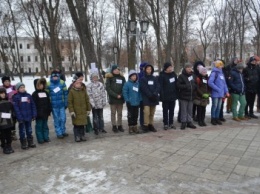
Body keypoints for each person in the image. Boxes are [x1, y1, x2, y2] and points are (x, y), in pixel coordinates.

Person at [12, 82, 37, 149]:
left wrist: (34, 114)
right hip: (21, 118)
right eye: (21, 87)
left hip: (28, 116)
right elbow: (16, 108)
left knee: (29, 129)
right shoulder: (16, 97)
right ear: (17, 89)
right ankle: (23, 142)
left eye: (23, 87)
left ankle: (30, 141)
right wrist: (19, 117)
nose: (22, 89)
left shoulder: (28, 96)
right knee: (22, 130)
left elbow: (33, 105)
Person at [68, 74, 91, 142]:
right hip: (76, 112)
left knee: (82, 125)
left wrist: (88, 109)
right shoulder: (72, 92)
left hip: (83, 111)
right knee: (76, 125)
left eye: (79, 83)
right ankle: (77, 136)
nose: (78, 85)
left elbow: (87, 100)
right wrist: (71, 111)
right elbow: (70, 102)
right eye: (77, 83)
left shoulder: (83, 91)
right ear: (74, 84)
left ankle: (82, 135)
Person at [46, 70, 68, 139]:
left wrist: (66, 102)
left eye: (56, 76)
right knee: (56, 119)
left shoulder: (62, 82)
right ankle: (59, 132)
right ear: (51, 77)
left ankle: (63, 131)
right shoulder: (48, 84)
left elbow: (65, 93)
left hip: (61, 104)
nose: (55, 78)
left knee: (63, 118)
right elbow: (47, 95)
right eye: (54, 76)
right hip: (54, 105)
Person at [140, 63, 160, 132]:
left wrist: (154, 94)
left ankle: (151, 125)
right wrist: (150, 95)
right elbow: (144, 88)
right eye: (148, 69)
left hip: (154, 98)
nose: (149, 70)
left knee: (152, 112)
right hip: (146, 98)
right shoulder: (143, 79)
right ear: (145, 70)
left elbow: (157, 86)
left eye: (150, 69)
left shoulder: (154, 78)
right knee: (146, 112)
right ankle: (146, 125)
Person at [105, 64, 126, 133]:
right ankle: (114, 126)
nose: (117, 71)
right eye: (115, 70)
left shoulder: (122, 78)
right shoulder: (109, 78)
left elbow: (124, 87)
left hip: (120, 99)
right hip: (113, 99)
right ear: (112, 70)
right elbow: (108, 88)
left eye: (118, 70)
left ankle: (119, 125)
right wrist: (115, 95)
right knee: (113, 113)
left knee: (120, 113)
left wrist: (121, 95)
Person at [208, 60, 230, 125]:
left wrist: (226, 91)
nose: (222, 66)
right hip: (215, 93)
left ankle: (217, 118)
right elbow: (210, 82)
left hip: (221, 93)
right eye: (220, 65)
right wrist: (217, 89)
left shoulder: (221, 73)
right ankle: (213, 118)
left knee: (219, 106)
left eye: (222, 65)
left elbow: (224, 83)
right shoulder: (214, 73)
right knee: (215, 106)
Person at [177, 63, 197, 130]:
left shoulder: (193, 75)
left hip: (191, 96)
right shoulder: (181, 76)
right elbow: (178, 85)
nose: (189, 69)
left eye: (190, 67)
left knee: (190, 110)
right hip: (184, 96)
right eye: (188, 67)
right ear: (185, 68)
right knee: (184, 110)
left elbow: (195, 84)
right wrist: (186, 86)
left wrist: (194, 87)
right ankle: (183, 122)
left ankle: (189, 122)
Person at [159, 62, 178, 130]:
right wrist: (162, 95)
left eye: (171, 67)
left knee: (172, 110)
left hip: (173, 96)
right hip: (165, 96)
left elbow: (176, 84)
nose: (170, 69)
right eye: (169, 67)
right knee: (165, 111)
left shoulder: (173, 74)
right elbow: (160, 86)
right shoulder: (162, 75)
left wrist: (176, 94)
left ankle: (171, 123)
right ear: (165, 68)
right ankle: (166, 123)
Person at [32, 78, 52, 144]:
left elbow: (49, 102)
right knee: (39, 126)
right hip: (38, 114)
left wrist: (49, 111)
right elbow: (33, 105)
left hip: (45, 113)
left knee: (45, 126)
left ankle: (46, 137)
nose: (41, 86)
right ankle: (40, 139)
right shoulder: (34, 94)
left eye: (42, 84)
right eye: (40, 84)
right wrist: (34, 114)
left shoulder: (46, 93)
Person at [87, 71, 107, 135]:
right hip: (94, 105)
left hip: (100, 103)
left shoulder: (100, 84)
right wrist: (92, 103)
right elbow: (89, 95)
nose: (95, 78)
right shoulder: (89, 86)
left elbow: (103, 93)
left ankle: (102, 127)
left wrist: (104, 101)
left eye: (96, 77)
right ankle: (96, 128)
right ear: (91, 78)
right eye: (94, 77)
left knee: (101, 116)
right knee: (95, 117)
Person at [123, 70, 142, 134]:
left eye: (135, 76)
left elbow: (139, 93)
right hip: (130, 103)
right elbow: (125, 92)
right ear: (130, 77)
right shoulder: (127, 84)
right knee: (130, 115)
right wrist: (127, 100)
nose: (134, 77)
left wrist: (140, 100)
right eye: (133, 76)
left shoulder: (138, 84)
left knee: (136, 115)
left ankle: (135, 126)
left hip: (136, 102)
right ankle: (130, 127)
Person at [1, 75, 17, 141]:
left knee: (13, 119)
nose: (7, 82)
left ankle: (13, 133)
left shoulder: (13, 87)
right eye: (5, 81)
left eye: (8, 81)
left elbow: (17, 93)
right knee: (5, 120)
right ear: (3, 82)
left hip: (12, 105)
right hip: (3, 106)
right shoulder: (1, 88)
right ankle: (5, 134)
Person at [0, 88, 15, 154]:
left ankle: (9, 145)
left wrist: (13, 118)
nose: (3, 95)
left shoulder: (9, 102)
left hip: (9, 121)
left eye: (4, 93)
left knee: (9, 134)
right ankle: (4, 146)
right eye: (1, 93)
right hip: (2, 123)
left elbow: (12, 111)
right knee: (3, 135)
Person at [138, 62, 147, 128]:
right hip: (141, 95)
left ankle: (147, 122)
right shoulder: (139, 75)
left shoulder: (149, 74)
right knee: (142, 110)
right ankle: (142, 123)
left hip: (148, 95)